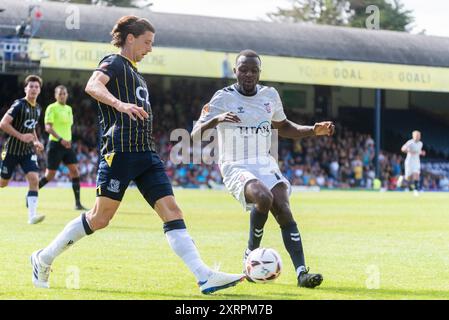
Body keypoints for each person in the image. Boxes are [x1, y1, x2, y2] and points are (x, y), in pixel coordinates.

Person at [31, 15, 244, 294]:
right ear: (130, 39)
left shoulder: (136, 72)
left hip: (145, 153)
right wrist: (120, 104)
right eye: (147, 42)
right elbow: (92, 86)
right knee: (100, 218)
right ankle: (43, 258)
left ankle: (204, 275)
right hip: (119, 151)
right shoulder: (115, 62)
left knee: (172, 211)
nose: (150, 48)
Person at [191, 49, 335, 288]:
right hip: (235, 163)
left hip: (263, 161)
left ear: (259, 73)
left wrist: (313, 130)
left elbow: (284, 126)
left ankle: (302, 273)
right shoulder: (222, 98)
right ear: (235, 71)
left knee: (284, 208)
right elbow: (195, 136)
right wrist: (217, 120)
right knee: (263, 197)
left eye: (254, 70)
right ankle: (250, 254)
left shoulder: (270, 95)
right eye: (243, 69)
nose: (248, 74)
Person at [0, 75, 45, 224]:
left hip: (27, 152)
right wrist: (20, 136)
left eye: (36, 87)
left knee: (34, 179)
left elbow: (31, 128)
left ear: (39, 90)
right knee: (3, 183)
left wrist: (36, 142)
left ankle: (32, 216)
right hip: (12, 150)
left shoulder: (38, 109)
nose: (33, 89)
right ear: (25, 88)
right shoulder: (19, 104)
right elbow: (3, 123)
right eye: (31, 86)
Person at [38, 85, 87, 210]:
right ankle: (32, 192)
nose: (62, 95)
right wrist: (61, 139)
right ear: (55, 95)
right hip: (55, 144)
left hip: (67, 145)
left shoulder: (69, 109)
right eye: (60, 94)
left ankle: (78, 204)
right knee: (50, 175)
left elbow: (67, 128)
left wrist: (68, 141)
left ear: (67, 95)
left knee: (75, 171)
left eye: (64, 93)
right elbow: (48, 127)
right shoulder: (51, 108)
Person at [397, 130, 425, 196]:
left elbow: (418, 151)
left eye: (419, 135)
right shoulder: (410, 142)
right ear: (413, 136)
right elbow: (403, 148)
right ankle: (401, 179)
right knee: (408, 177)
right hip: (409, 162)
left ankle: (416, 189)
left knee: (416, 174)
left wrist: (421, 153)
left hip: (416, 162)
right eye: (416, 135)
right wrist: (408, 151)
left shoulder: (421, 143)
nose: (418, 137)